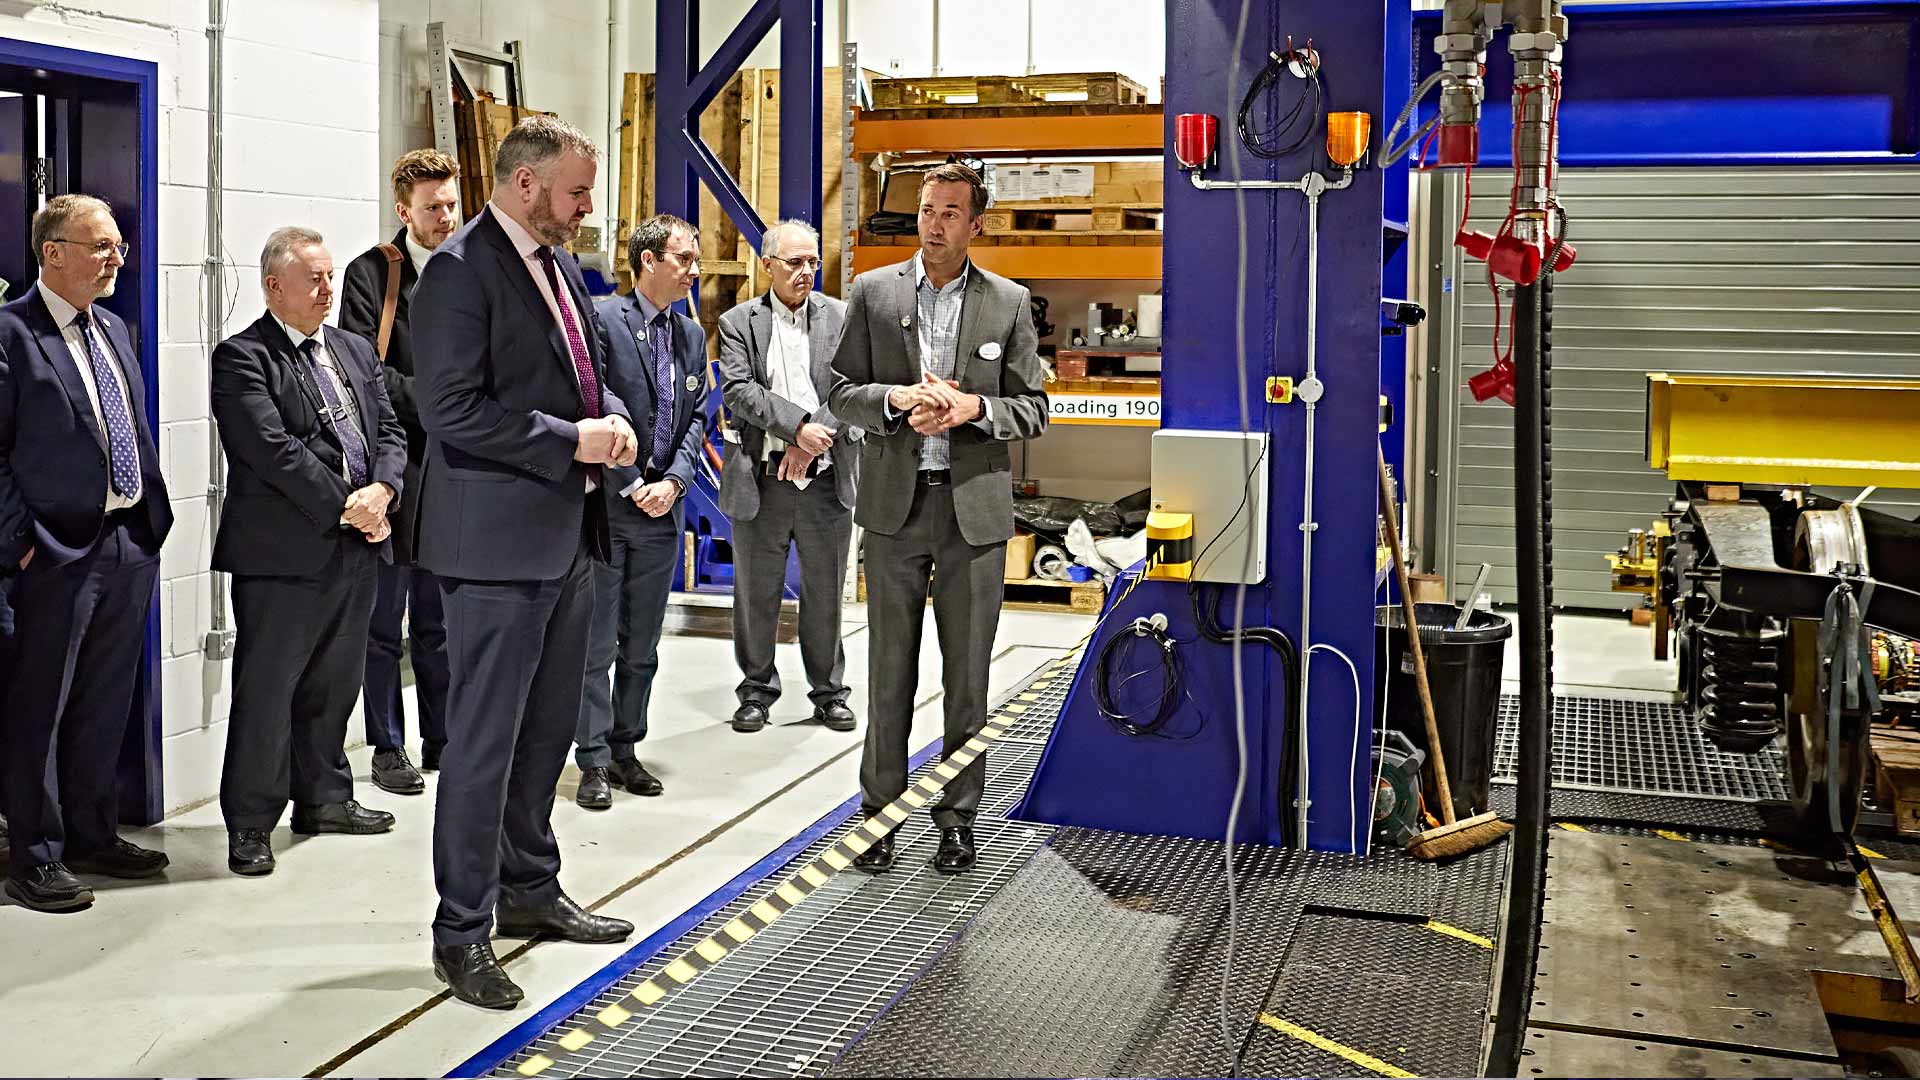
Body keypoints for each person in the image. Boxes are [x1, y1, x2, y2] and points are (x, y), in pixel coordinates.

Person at [412, 115, 639, 1009]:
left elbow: (585, 373)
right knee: (481, 748)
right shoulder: (460, 273)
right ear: (526, 184)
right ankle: (461, 932)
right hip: (495, 550)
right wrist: (573, 439)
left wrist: (611, 416)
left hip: (565, 541)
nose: (588, 206)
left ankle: (530, 889)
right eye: (578, 190)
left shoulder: (555, 265)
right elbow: (450, 410)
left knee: (545, 735)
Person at [827, 163, 1048, 875]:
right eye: (927, 209)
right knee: (888, 672)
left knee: (968, 681)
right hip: (895, 510)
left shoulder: (1009, 304)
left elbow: (1034, 408)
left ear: (976, 223)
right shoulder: (871, 291)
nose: (935, 222)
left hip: (972, 517)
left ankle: (957, 818)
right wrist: (894, 400)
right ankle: (879, 817)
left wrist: (972, 409)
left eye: (951, 212)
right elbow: (837, 391)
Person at [210, 226, 408, 877]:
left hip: (355, 550)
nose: (329, 289)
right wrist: (348, 505)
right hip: (282, 557)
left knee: (334, 686)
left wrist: (383, 490)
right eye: (315, 279)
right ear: (275, 286)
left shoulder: (351, 348)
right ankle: (250, 822)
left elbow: (388, 428)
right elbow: (272, 452)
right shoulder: (242, 358)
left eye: (329, 276)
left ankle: (324, 798)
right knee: (268, 694)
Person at [0, 194, 173, 911]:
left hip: (126, 541)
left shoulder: (112, 328)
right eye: (100, 246)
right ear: (53, 253)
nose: (116, 258)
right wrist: (24, 545)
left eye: (118, 246)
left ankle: (92, 832)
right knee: (39, 705)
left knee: (104, 701)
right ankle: (33, 854)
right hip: (55, 552)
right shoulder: (11, 334)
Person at [571, 213, 708, 809]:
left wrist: (675, 483)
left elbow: (697, 414)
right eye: (684, 259)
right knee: (597, 642)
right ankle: (593, 758)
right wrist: (632, 483)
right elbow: (599, 400)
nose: (694, 271)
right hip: (612, 507)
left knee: (643, 645)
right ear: (648, 261)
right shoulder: (602, 322)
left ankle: (627, 748)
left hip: (664, 512)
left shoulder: (691, 335)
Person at [339, 148, 461, 795]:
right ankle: (387, 747)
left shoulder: (469, 271)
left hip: (452, 475)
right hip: (393, 469)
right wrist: (442, 406)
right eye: (432, 208)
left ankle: (444, 739)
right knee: (385, 624)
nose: (444, 217)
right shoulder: (372, 275)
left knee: (441, 625)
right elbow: (366, 373)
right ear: (403, 209)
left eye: (450, 205)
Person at [716, 219, 858, 735]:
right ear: (767, 264)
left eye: (812, 262)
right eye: (794, 262)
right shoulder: (738, 323)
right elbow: (738, 390)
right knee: (757, 593)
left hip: (826, 481)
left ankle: (829, 692)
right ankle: (755, 692)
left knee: (825, 591)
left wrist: (813, 436)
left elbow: (854, 387)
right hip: (761, 480)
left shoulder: (841, 317)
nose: (805, 272)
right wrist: (797, 428)